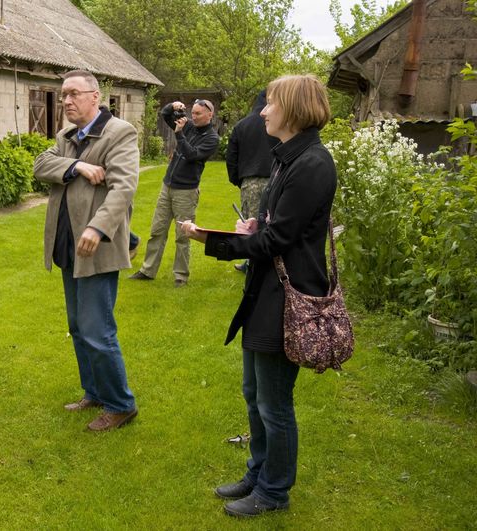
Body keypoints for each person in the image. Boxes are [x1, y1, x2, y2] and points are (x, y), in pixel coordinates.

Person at [181, 74, 336, 517]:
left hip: (287, 297)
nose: (264, 111)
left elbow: (279, 241)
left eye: (271, 103)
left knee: (274, 403)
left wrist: (214, 241)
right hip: (265, 293)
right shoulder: (288, 157)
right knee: (254, 394)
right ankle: (258, 472)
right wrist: (256, 225)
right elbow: (276, 227)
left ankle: (273, 492)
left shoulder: (313, 164)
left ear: (295, 110)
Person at [34, 70, 138, 432]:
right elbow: (40, 165)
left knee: (97, 330)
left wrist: (97, 226)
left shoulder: (119, 132)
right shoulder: (66, 137)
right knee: (78, 327)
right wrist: (77, 165)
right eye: (63, 94)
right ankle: (94, 391)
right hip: (68, 246)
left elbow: (123, 187)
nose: (66, 101)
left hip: (96, 247)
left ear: (95, 96)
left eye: (73, 93)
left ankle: (121, 404)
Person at [129, 99, 218, 287]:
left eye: (198, 114)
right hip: (167, 186)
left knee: (183, 235)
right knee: (157, 231)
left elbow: (191, 155)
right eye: (192, 113)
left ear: (210, 114)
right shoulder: (188, 126)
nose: (193, 117)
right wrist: (173, 106)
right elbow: (164, 114)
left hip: (186, 191)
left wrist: (179, 134)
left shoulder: (211, 138)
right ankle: (147, 270)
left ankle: (180, 276)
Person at [226, 90, 278, 273]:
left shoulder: (242, 125)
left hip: (251, 181)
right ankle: (260, 264)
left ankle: (254, 266)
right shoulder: (280, 123)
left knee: (251, 224)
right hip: (276, 177)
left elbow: (231, 157)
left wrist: (239, 180)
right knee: (272, 224)